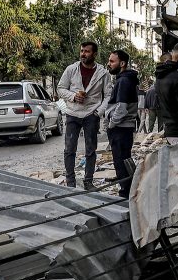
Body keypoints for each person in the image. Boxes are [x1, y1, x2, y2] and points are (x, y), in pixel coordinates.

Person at [57, 41, 111, 189]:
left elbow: (108, 95)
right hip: (72, 113)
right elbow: (61, 88)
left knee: (90, 150)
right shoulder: (71, 69)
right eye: (82, 51)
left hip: (91, 115)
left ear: (94, 54)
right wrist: (73, 96)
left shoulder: (103, 73)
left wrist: (98, 112)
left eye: (87, 51)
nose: (83, 54)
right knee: (69, 149)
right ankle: (70, 182)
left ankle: (88, 181)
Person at [104, 50, 139, 198]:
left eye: (112, 61)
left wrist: (111, 124)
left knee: (121, 164)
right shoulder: (126, 79)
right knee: (125, 160)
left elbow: (121, 108)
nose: (109, 64)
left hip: (120, 128)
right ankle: (131, 190)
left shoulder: (124, 80)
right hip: (124, 128)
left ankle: (126, 194)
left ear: (122, 63)